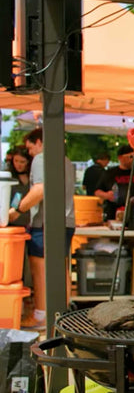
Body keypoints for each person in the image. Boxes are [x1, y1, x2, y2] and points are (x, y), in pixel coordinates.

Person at [8, 129, 76, 330]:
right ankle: (63, 318)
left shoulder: (41, 159)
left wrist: (17, 210)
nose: (29, 153)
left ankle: (40, 315)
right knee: (61, 269)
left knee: (40, 268)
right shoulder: (66, 160)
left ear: (39, 142)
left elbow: (39, 189)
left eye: (30, 148)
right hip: (66, 221)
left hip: (45, 223)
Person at [94, 144, 134, 220]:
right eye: (130, 157)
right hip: (113, 212)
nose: (132, 160)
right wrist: (106, 195)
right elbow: (97, 191)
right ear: (120, 158)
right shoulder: (109, 173)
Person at [8, 146, 32, 227]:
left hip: (32, 223)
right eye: (16, 161)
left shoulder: (33, 176)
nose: (18, 165)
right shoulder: (9, 176)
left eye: (22, 162)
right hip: (13, 222)